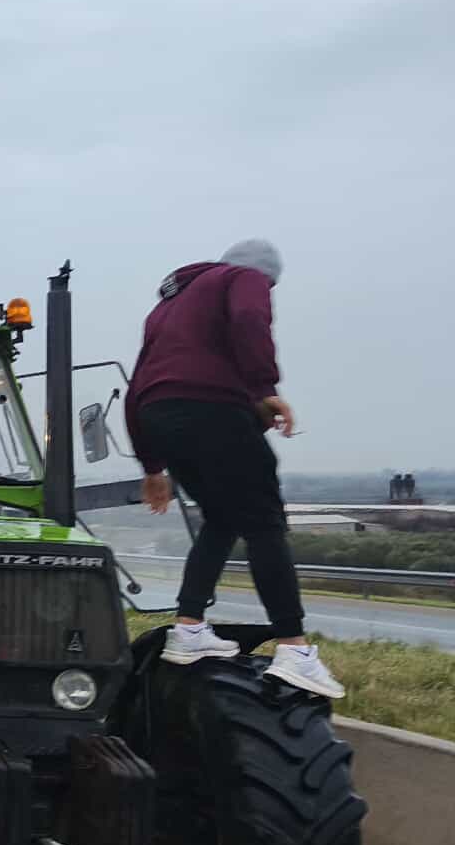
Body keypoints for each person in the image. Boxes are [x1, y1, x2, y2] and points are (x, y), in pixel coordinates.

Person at [127, 238, 343, 698]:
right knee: (265, 522)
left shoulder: (167, 307)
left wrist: (152, 465)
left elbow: (138, 384)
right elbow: (249, 318)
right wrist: (264, 388)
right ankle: (295, 649)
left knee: (223, 518)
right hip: (211, 409)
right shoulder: (242, 278)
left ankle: (188, 629)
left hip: (158, 416)